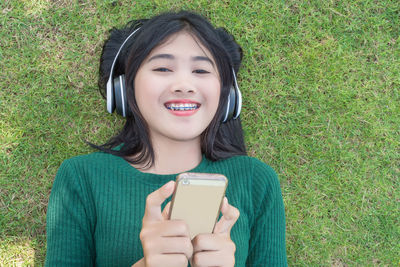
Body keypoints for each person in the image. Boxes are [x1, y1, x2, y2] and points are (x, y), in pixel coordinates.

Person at [45, 10, 287, 266]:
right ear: (124, 89)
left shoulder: (257, 181)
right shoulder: (81, 177)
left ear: (227, 95)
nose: (184, 84)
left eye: (201, 70)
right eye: (162, 68)